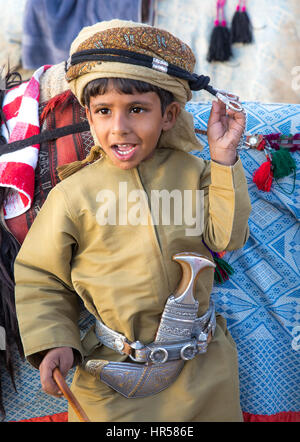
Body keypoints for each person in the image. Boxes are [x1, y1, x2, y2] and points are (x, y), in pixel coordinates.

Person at [14, 19, 251, 422]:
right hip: (113, 380)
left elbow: (227, 236)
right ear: (89, 117)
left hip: (203, 372)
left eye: (137, 110)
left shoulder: (196, 173)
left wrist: (224, 159)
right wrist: (54, 341)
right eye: (104, 111)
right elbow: (41, 277)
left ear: (169, 115)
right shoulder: (73, 195)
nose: (119, 127)